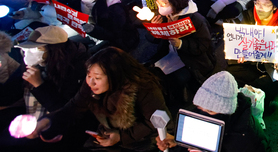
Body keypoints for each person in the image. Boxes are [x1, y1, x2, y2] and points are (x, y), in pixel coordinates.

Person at [32, 47, 173, 151]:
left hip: (141, 142)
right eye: (88, 75)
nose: (91, 82)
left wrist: (121, 137)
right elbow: (74, 107)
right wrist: (49, 121)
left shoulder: (145, 88)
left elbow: (155, 122)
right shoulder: (90, 86)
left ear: (115, 75)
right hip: (106, 136)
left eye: (98, 78)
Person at [0, 26, 88, 150]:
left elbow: (67, 110)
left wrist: (39, 85)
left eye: (36, 48)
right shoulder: (30, 66)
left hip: (55, 133)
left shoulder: (75, 69)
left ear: (54, 49)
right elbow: (7, 95)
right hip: (28, 127)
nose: (28, 54)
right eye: (27, 49)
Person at [155, 71, 269, 152]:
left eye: (209, 111)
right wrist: (178, 142)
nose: (202, 113)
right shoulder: (205, 113)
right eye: (199, 107)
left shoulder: (246, 137)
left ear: (226, 112)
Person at [150, 0, 216, 99]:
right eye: (158, 3)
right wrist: (154, 29)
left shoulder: (196, 19)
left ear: (175, 2)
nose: (160, 6)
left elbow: (204, 45)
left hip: (194, 59)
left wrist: (181, 44)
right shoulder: (164, 16)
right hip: (171, 54)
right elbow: (153, 40)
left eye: (164, 3)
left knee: (176, 78)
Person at [58, 0, 139, 52]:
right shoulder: (84, 3)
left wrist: (91, 29)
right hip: (92, 34)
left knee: (89, 54)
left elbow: (113, 34)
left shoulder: (114, 8)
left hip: (119, 40)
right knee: (67, 42)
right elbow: (64, 10)